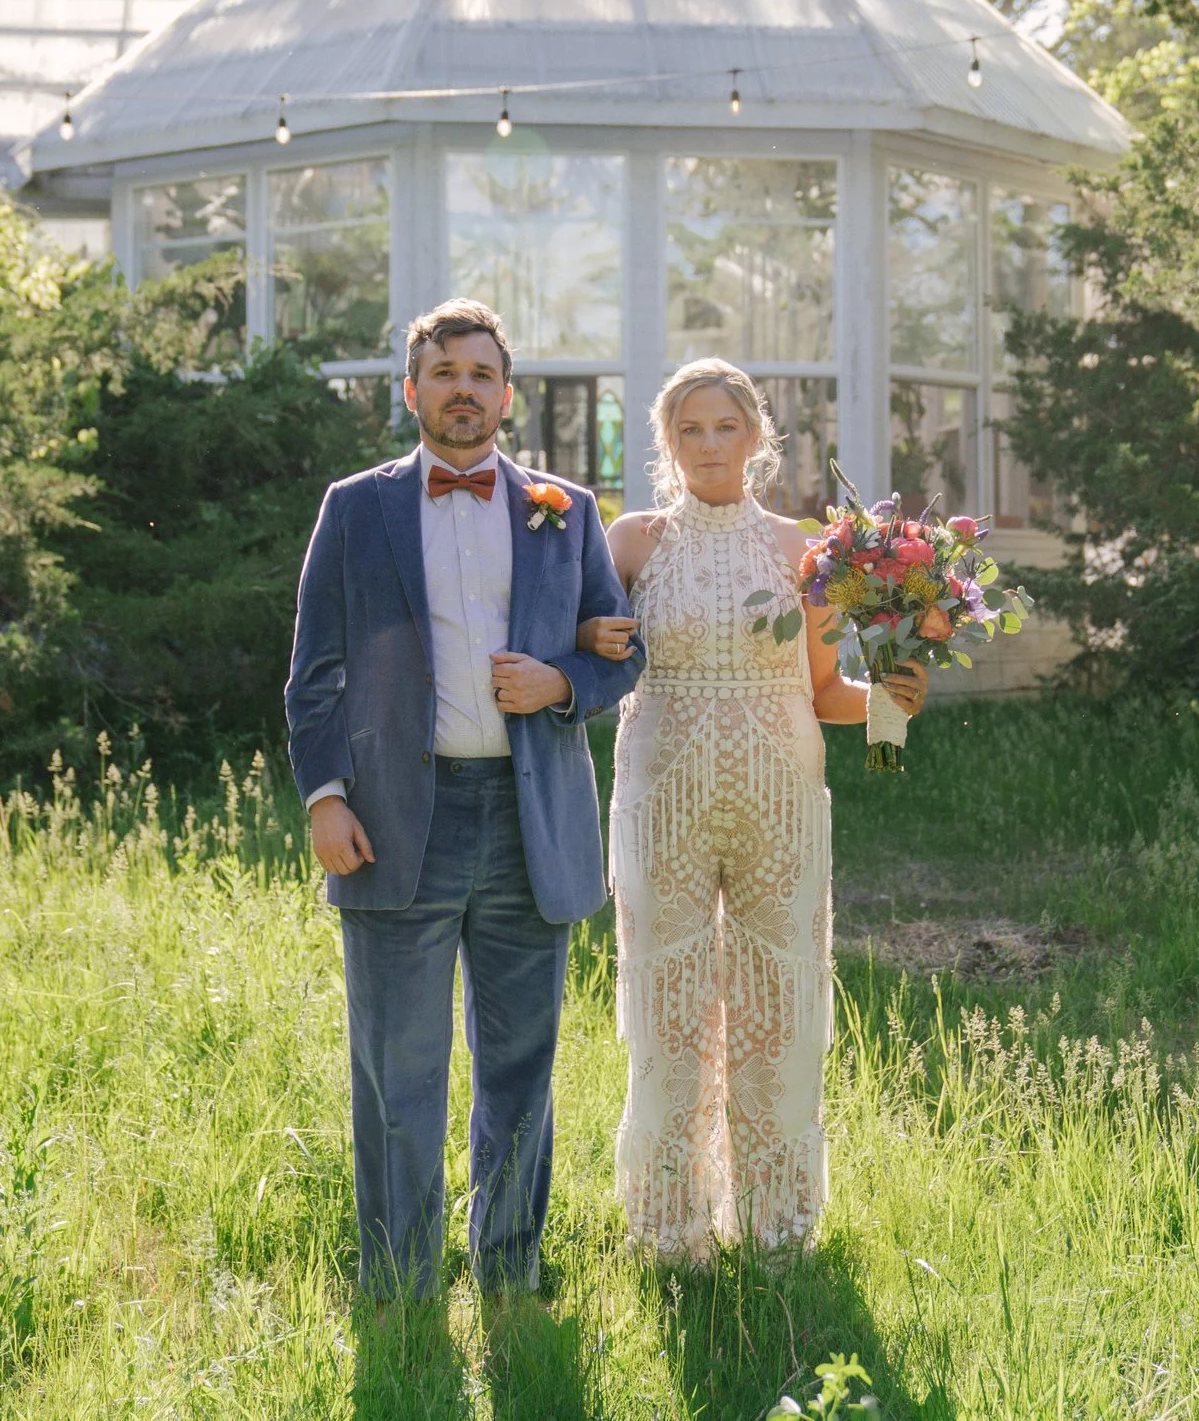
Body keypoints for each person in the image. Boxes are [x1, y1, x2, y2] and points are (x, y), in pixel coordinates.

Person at [285, 299, 643, 1301]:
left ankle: (509, 1269)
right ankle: (399, 1285)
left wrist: (561, 680)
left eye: (481, 374)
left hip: (532, 824)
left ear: (506, 394)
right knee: (397, 1069)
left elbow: (621, 651)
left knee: (521, 1065)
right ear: (411, 390)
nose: (463, 390)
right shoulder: (354, 508)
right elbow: (313, 674)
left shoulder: (566, 511)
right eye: (444, 372)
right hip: (396, 822)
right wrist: (324, 797)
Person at [576, 358, 926, 1261]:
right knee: (670, 1009)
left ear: (756, 435)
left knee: (779, 1004)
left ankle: (779, 1231)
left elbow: (824, 689)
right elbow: (588, 656)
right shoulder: (631, 542)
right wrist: (582, 635)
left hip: (780, 797)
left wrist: (892, 704)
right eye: (689, 429)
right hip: (664, 801)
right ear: (666, 442)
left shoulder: (803, 548)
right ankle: (668, 1231)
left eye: (725, 426)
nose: (708, 444)